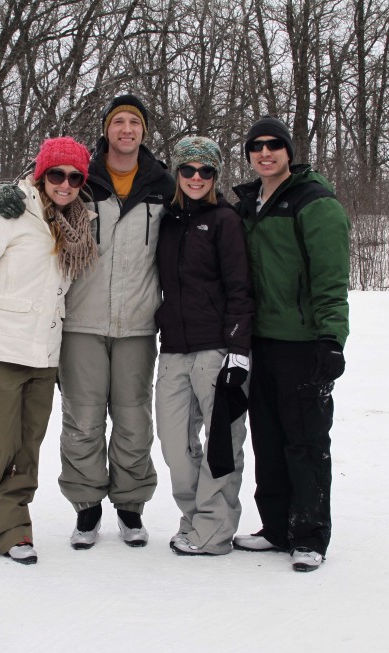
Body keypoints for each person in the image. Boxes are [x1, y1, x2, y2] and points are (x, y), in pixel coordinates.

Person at [0, 95, 174, 549]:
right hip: (81, 323)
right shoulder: (82, 179)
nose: (126, 129)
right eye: (118, 122)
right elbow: (38, 192)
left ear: (143, 131)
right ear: (107, 130)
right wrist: (0, 194)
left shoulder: (162, 185)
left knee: (133, 421)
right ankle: (87, 508)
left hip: (138, 324)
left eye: (134, 122)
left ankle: (130, 508)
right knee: (83, 420)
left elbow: (202, 204)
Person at [0, 137, 98, 565]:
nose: (66, 184)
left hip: (45, 357)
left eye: (75, 177)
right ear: (41, 176)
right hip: (1, 353)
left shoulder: (79, 226)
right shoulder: (10, 214)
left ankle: (11, 531)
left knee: (26, 451)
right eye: (57, 174)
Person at [230, 116, 351, 572]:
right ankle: (277, 527)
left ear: (289, 152)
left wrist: (330, 339)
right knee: (269, 440)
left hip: (303, 344)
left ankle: (310, 534)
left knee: (306, 442)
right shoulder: (248, 204)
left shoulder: (314, 203)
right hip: (260, 342)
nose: (265, 153)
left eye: (274, 146)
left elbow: (331, 279)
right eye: (256, 147)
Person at [154, 136, 254, 556]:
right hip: (174, 347)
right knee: (175, 444)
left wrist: (237, 349)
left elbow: (241, 288)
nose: (197, 178)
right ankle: (194, 517)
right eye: (188, 170)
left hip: (217, 348)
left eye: (206, 171)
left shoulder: (225, 220)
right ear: (177, 173)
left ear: (216, 175)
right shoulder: (167, 219)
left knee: (220, 443)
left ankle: (214, 530)